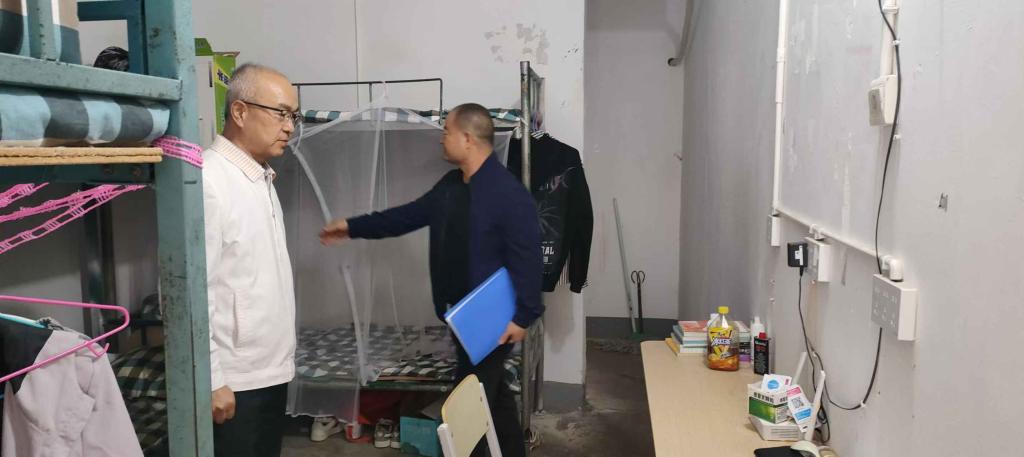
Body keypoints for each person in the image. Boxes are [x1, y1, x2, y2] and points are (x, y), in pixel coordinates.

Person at [320, 103, 543, 457]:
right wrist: (351, 226)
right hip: (460, 317)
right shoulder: (451, 186)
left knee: (467, 411)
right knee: (493, 399)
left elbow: (527, 257)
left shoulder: (508, 194)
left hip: (491, 322)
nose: (442, 138)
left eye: (447, 131)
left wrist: (524, 315)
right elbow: (406, 216)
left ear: (467, 139)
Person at [202, 63, 301, 457]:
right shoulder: (209, 180)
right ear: (240, 112)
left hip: (269, 369)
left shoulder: (259, 177)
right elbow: (193, 290)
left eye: (293, 116)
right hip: (235, 380)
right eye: (281, 113)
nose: (289, 127)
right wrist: (212, 378)